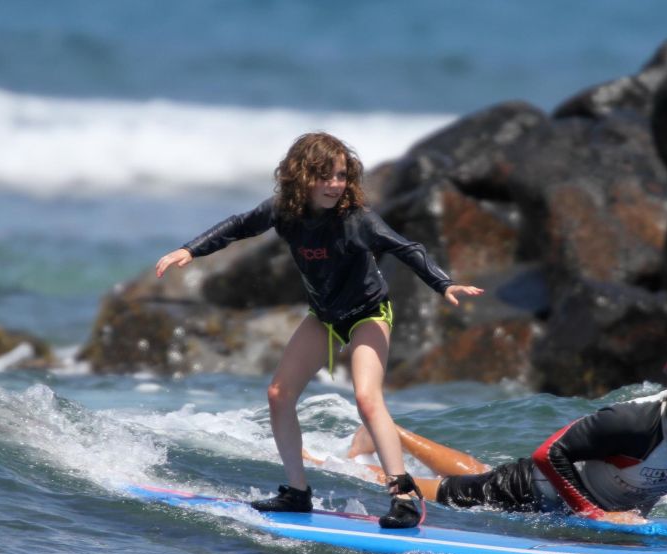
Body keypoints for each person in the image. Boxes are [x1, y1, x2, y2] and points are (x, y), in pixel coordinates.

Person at [154, 132, 483, 528]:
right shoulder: (284, 212)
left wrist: (443, 284)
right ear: (302, 175)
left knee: (366, 396)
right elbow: (239, 225)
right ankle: (297, 492)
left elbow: (405, 247)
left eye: (341, 175)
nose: (334, 184)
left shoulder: (356, 220)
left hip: (368, 313)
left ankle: (405, 496)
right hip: (325, 315)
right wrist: (191, 249)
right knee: (279, 393)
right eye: (324, 176)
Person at [345, 343, 667, 524]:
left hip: (563, 490)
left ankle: (391, 431)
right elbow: (548, 453)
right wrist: (594, 515)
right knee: (437, 491)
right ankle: (336, 466)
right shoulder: (634, 423)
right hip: (535, 490)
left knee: (480, 472)